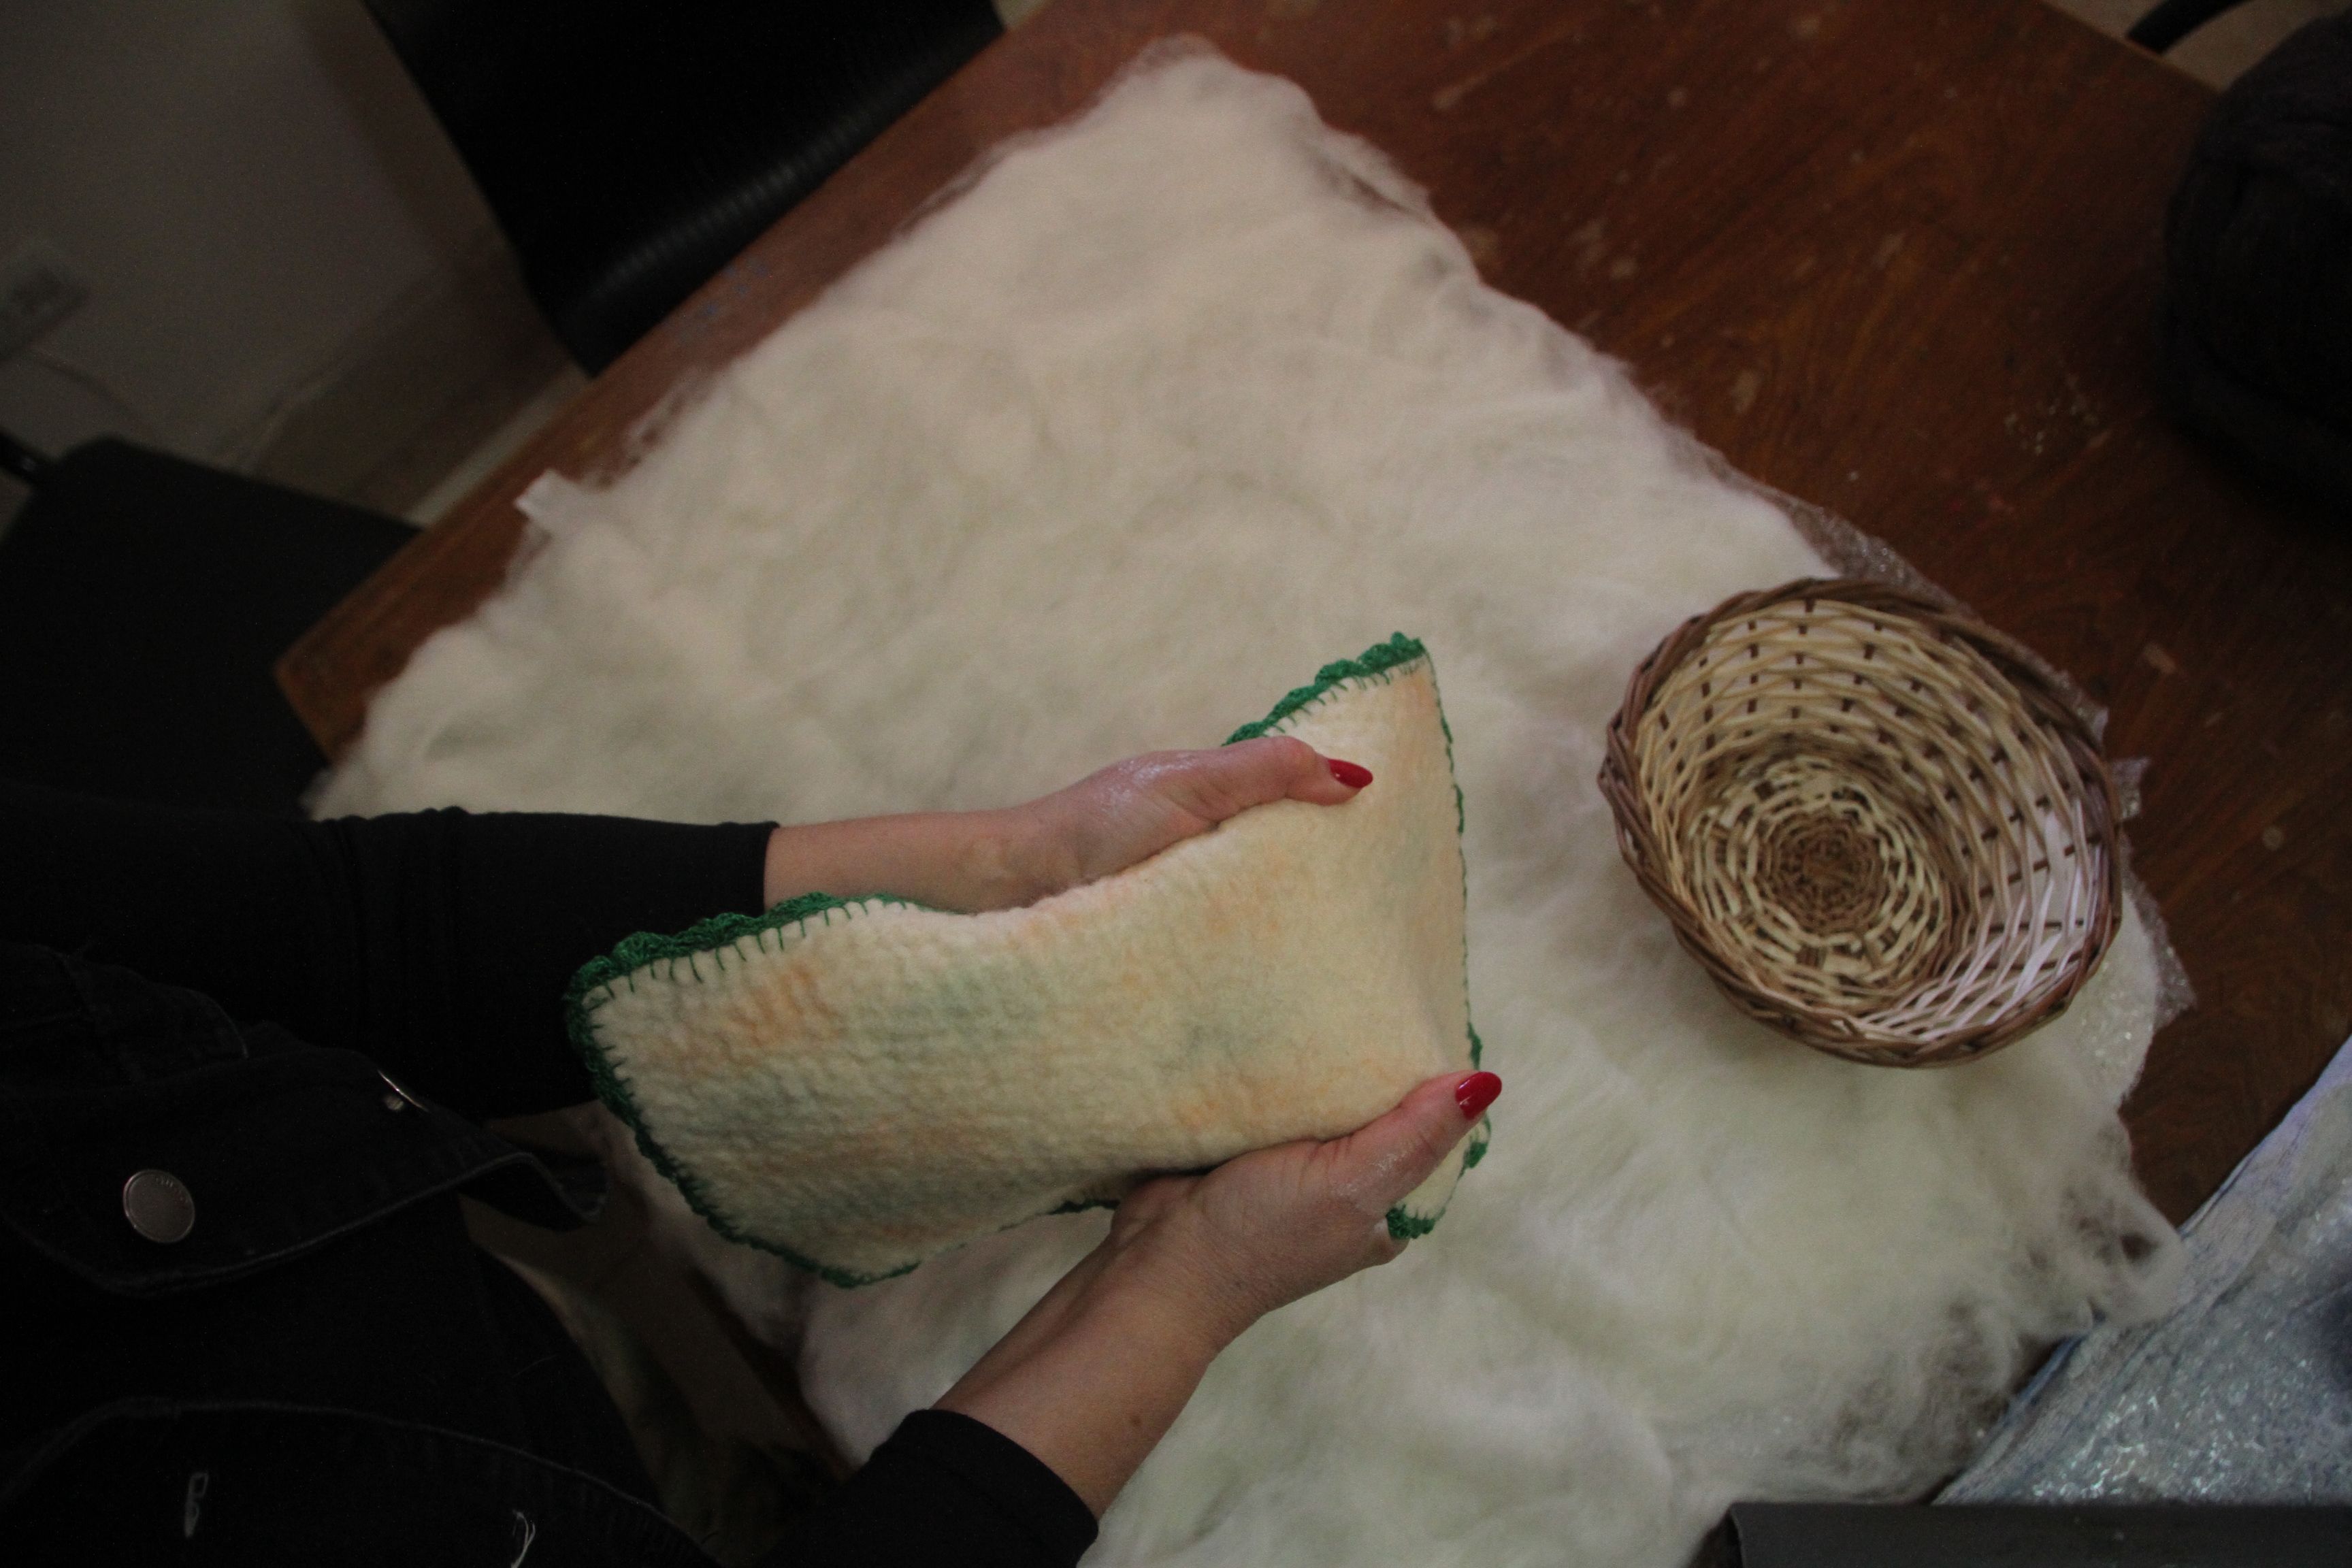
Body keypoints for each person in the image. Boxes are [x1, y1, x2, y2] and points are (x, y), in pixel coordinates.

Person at [0, 736, 1499, 1565]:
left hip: (469, 1384)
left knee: (651, 1453)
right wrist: (1182, 1283)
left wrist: (1010, 864)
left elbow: (354, 929)